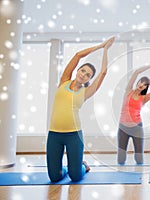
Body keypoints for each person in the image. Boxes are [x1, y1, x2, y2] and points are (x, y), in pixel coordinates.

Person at [46, 37, 115, 182]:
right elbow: (78, 55)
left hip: (74, 135)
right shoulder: (64, 81)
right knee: (54, 177)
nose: (83, 75)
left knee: (76, 176)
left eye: (88, 75)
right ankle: (66, 168)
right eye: (82, 71)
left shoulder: (86, 92)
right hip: (54, 135)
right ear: (78, 70)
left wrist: (105, 50)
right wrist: (100, 45)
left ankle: (82, 166)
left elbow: (103, 73)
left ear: (88, 79)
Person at [117, 61, 150, 165]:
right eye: (141, 82)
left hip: (137, 128)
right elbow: (136, 72)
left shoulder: (144, 98)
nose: (142, 84)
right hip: (123, 127)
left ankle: (138, 177)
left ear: (146, 88)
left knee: (139, 160)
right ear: (138, 83)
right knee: (121, 160)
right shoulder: (128, 91)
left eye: (145, 84)